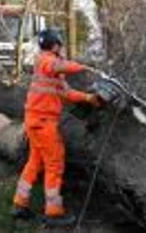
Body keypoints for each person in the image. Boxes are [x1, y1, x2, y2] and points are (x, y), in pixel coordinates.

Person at [12, 28, 105, 227]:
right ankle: (53, 212)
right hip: (44, 123)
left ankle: (20, 204)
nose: (61, 48)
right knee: (54, 164)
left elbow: (67, 93)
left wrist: (88, 98)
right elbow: (60, 65)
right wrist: (84, 67)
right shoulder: (46, 61)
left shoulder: (47, 68)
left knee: (35, 162)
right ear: (55, 45)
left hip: (35, 121)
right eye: (59, 45)